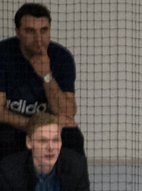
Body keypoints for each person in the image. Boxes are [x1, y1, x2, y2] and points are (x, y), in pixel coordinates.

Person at [0, 3, 83, 160]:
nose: (38, 39)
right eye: (30, 31)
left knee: (73, 137)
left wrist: (46, 75)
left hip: (49, 127)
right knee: (5, 139)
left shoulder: (61, 57)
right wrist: (34, 124)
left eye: (44, 30)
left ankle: (73, 185)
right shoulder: (3, 54)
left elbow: (67, 112)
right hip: (12, 127)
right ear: (18, 32)